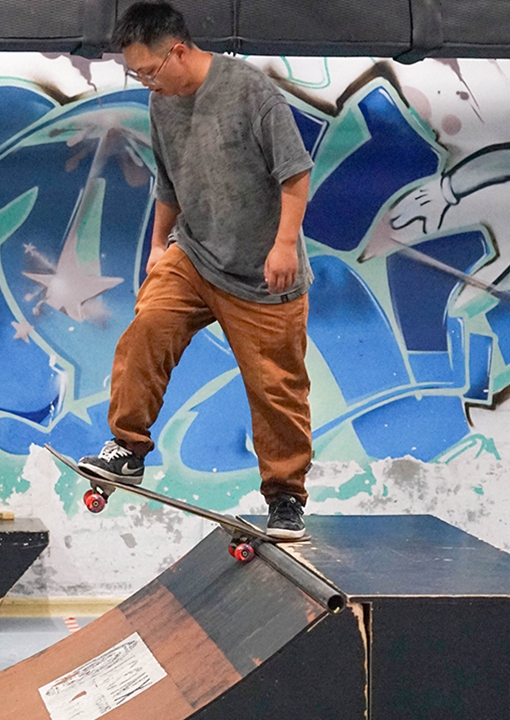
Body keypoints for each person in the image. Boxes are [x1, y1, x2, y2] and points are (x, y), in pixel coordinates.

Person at [78, 1, 314, 539]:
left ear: (179, 52)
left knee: (275, 388)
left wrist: (284, 245)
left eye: (150, 72)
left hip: (262, 272)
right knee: (148, 327)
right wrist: (157, 245)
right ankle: (127, 448)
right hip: (195, 253)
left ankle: (285, 497)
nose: (147, 83)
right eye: (137, 75)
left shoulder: (250, 92)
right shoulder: (162, 104)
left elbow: (296, 173)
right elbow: (169, 182)